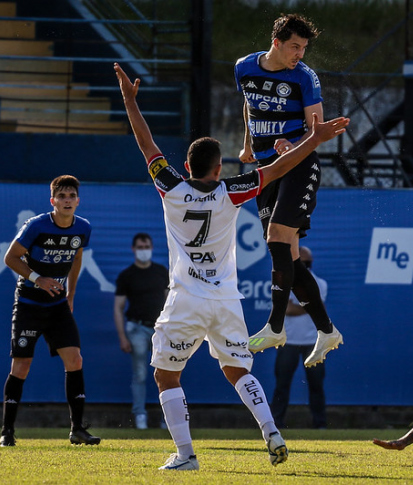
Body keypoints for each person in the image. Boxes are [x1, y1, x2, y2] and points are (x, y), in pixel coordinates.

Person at [115, 62, 348, 470]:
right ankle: (272, 432)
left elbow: (146, 144)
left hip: (185, 297)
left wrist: (130, 102)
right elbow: (279, 168)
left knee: (166, 377)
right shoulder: (233, 190)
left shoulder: (170, 186)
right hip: (225, 299)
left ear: (187, 167)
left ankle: (186, 455)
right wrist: (315, 137)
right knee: (238, 371)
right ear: (218, 168)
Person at [234, 13, 342, 367]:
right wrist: (249, 143)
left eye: (304, 47)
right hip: (267, 171)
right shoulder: (245, 68)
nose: (300, 53)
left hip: (298, 165)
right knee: (288, 257)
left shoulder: (304, 77)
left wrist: (293, 145)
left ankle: (275, 326)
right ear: (276, 42)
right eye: (295, 46)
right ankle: (327, 331)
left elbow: (317, 133)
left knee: (277, 236)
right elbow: (250, 107)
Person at [0, 175, 100, 447]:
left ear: (78, 201)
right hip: (29, 304)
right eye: (62, 197)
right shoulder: (37, 226)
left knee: (75, 360)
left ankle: (77, 429)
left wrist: (72, 292)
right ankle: (7, 431)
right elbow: (10, 257)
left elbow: (77, 256)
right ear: (52, 201)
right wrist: (38, 278)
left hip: (57, 305)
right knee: (21, 365)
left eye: (71, 196)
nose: (67, 201)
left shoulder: (83, 228)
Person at [113, 232, 169, 430]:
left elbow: (171, 302)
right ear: (133, 249)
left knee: (165, 374)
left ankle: (167, 418)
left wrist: (172, 329)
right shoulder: (126, 275)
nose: (143, 251)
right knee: (140, 375)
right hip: (136, 327)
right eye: (140, 248)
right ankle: (140, 416)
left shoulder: (162, 271)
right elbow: (118, 308)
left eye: (146, 247)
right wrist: (122, 337)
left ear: (151, 249)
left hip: (160, 330)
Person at [270, 246, 327, 429]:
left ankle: (320, 424)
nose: (305, 265)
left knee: (316, 386)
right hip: (288, 342)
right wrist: (307, 305)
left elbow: (294, 308)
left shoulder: (320, 283)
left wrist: (297, 306)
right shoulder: (282, 282)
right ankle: (275, 424)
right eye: (301, 261)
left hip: (313, 342)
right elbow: (289, 309)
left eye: (307, 262)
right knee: (282, 385)